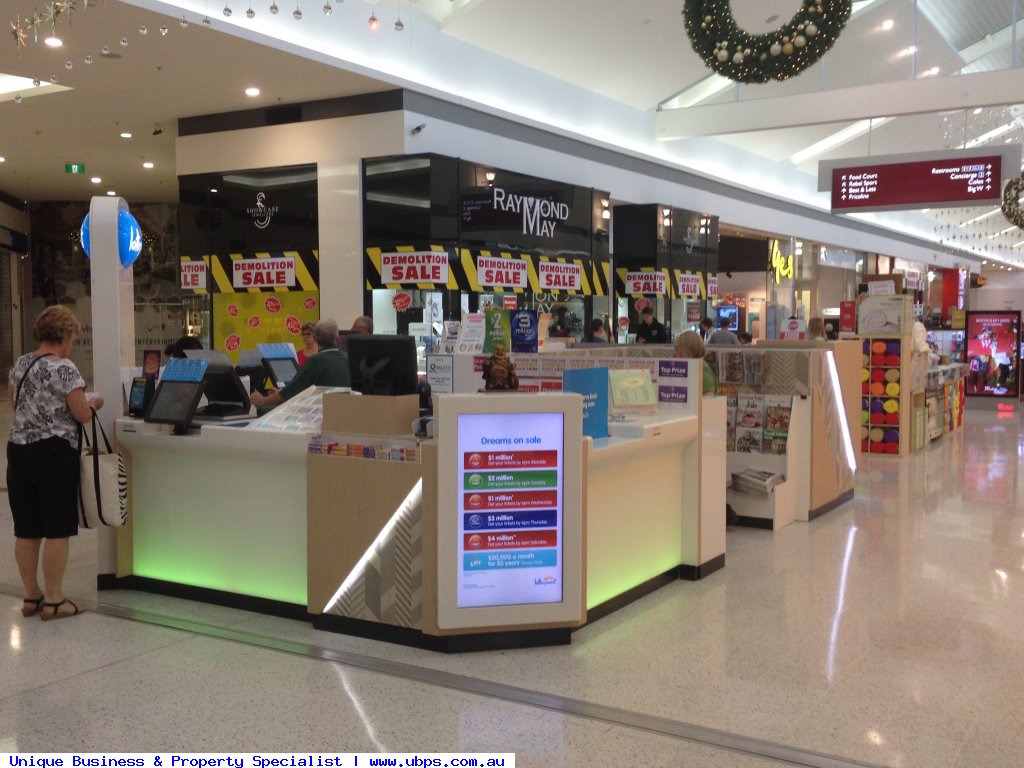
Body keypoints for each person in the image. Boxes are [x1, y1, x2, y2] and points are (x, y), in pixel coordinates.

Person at [7, 305, 104, 621]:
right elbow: (81, 414)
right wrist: (93, 404)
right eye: (73, 337)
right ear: (64, 334)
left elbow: (16, 405)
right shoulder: (65, 369)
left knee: (27, 529)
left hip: (19, 451)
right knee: (56, 528)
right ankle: (54, 600)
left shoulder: (20, 364)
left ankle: (31, 596)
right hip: (54, 453)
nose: (72, 344)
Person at [250, 318, 350, 408]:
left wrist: (261, 401)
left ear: (315, 338)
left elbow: (286, 396)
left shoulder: (315, 361)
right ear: (337, 339)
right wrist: (282, 392)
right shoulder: (349, 360)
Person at [674, 329, 718, 395]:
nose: (675, 353)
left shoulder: (702, 371)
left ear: (686, 350)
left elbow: (708, 399)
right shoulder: (694, 367)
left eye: (677, 349)